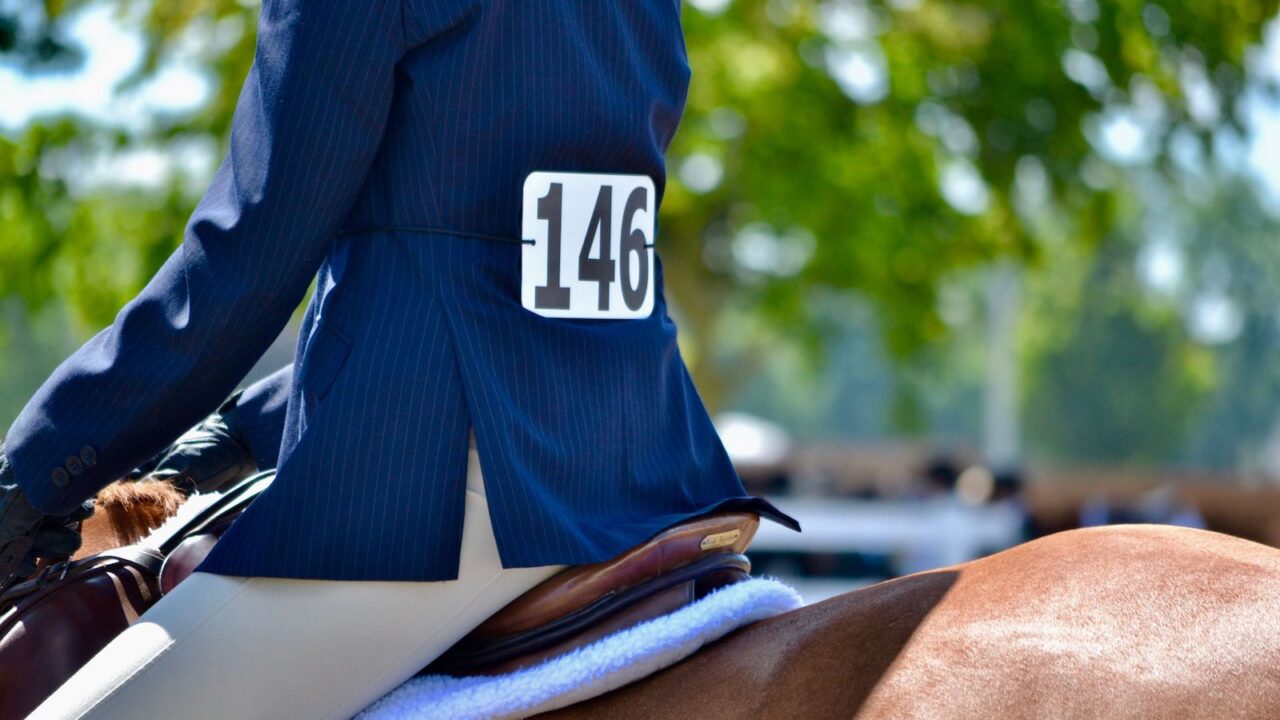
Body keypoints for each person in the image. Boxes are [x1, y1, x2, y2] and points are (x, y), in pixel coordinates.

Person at [0, 0, 797, 716]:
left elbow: (247, 254)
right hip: (647, 457)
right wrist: (244, 428)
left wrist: (35, 471)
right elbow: (513, 271)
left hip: (444, 494)